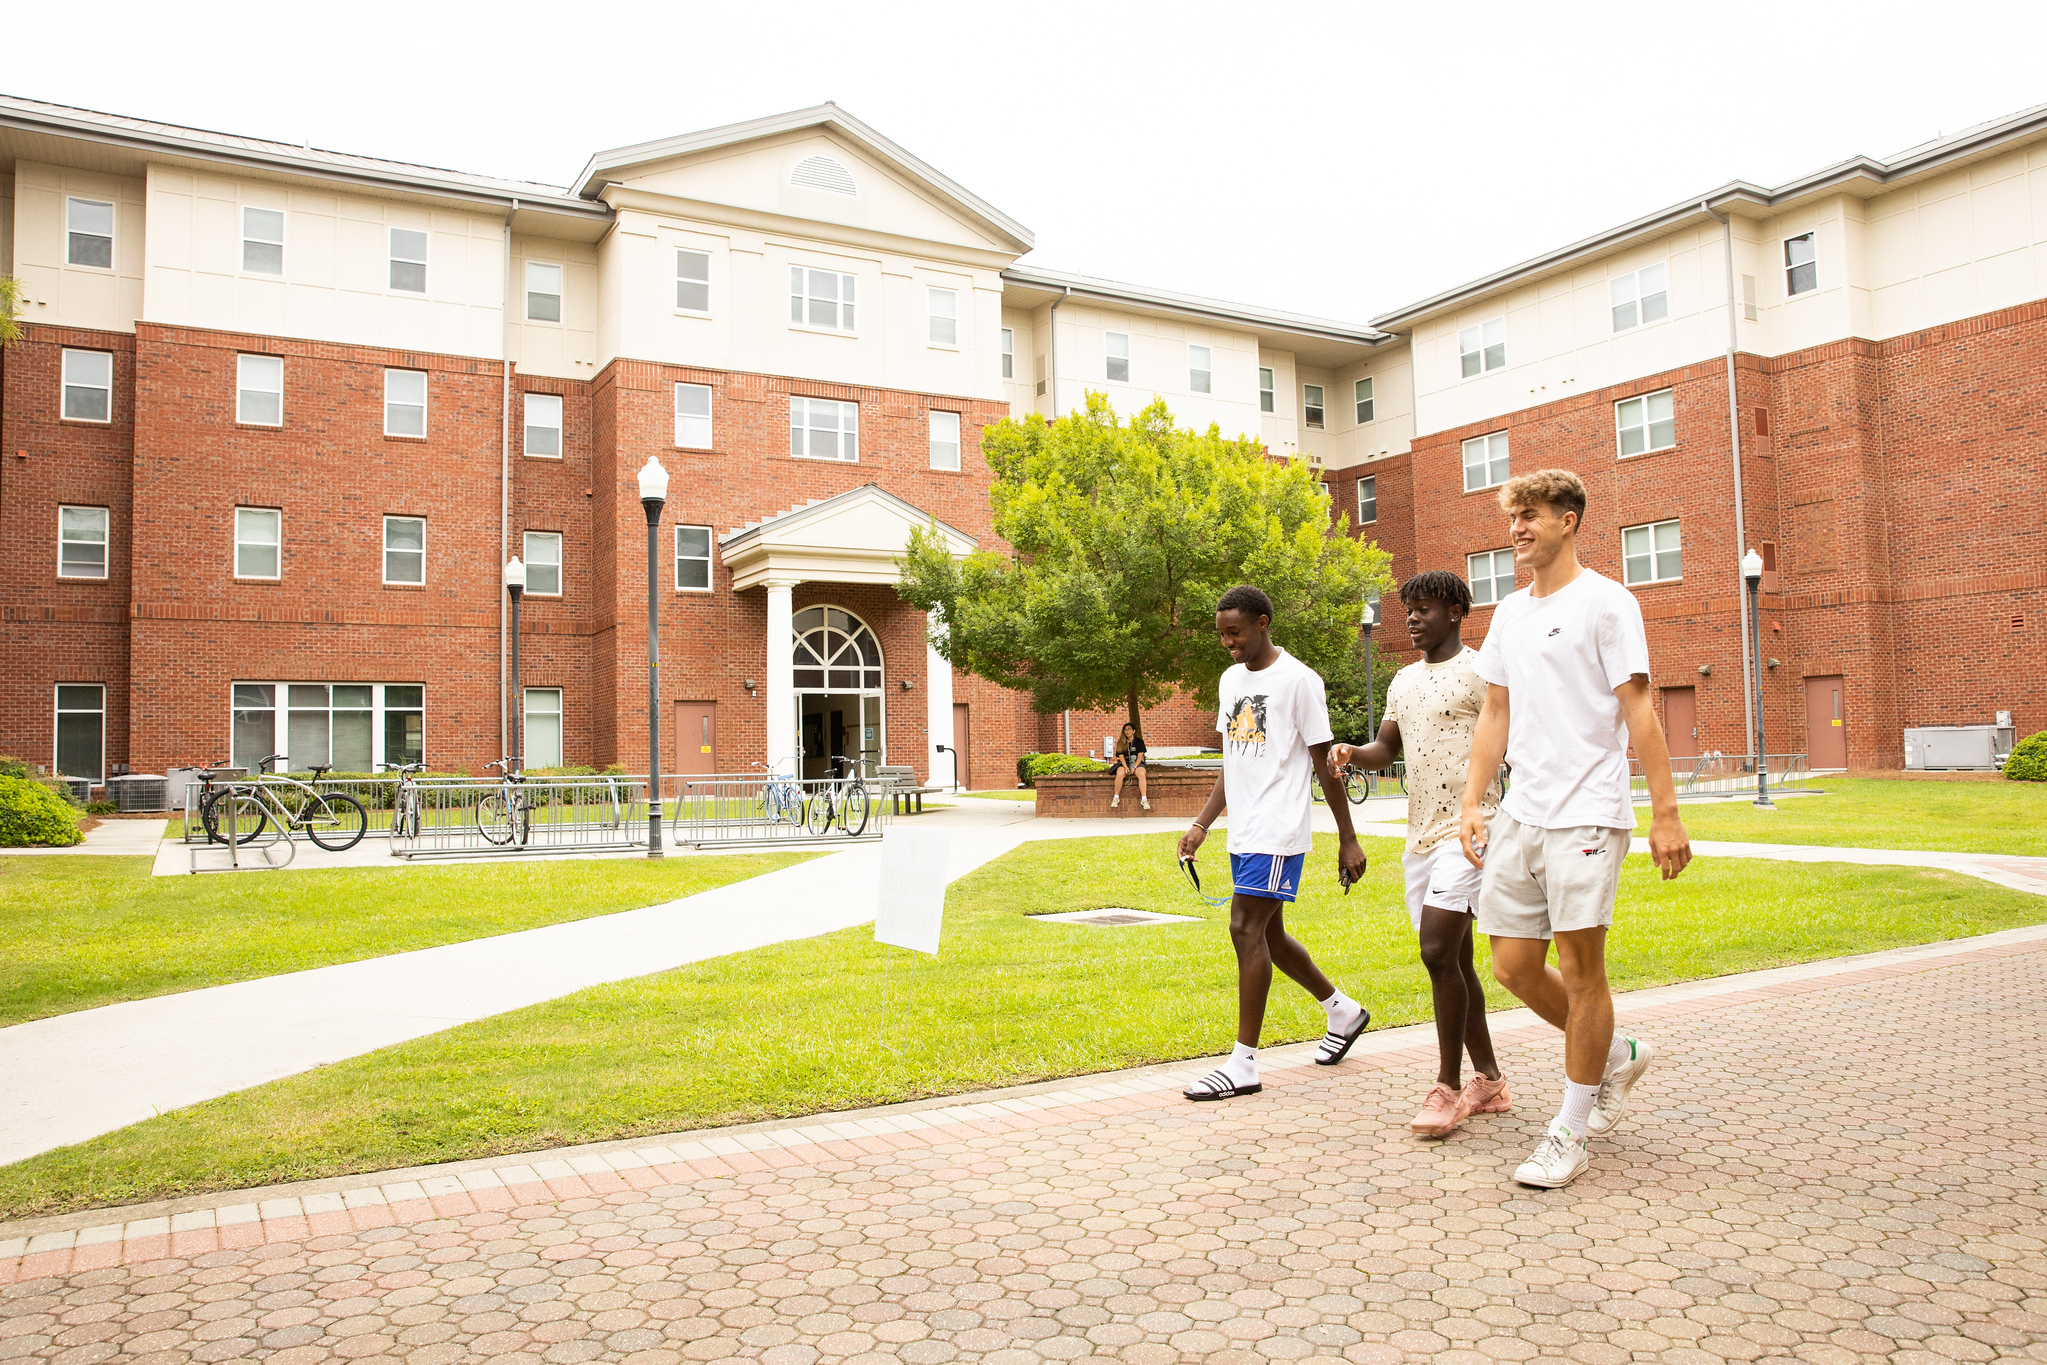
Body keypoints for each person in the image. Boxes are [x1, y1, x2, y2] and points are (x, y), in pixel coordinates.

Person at [1457, 469, 1692, 1189]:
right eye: (1512, 518)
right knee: (1511, 965)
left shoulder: (1607, 604)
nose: (1517, 528)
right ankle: (1616, 1055)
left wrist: (1665, 811)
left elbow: (1638, 709)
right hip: (1522, 811)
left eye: (1530, 515)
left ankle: (1569, 1127)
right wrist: (1473, 800)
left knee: (1584, 971)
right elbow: (1493, 712)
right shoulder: (1508, 615)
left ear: (1569, 520)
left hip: (1588, 809)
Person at [1330, 569, 1509, 1138]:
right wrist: (1353, 752)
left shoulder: (1482, 671)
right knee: (1455, 961)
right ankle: (1491, 1080)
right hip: (1421, 837)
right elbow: (1387, 749)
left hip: (1472, 830)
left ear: (1455, 611)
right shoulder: (1403, 680)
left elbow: (1512, 736)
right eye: (1408, 609)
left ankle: (1447, 1087)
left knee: (1435, 951)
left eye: (1424, 608)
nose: (1411, 618)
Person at [1177, 584, 1372, 1101]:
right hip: (1244, 829)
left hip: (1280, 828)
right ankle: (1343, 1011)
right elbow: (1232, 760)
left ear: (1263, 622)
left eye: (1235, 633)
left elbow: (1326, 766)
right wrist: (1203, 824)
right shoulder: (1229, 680)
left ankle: (1244, 1063)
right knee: (1272, 936)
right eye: (1222, 635)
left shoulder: (1299, 682)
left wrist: (1347, 839)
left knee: (1244, 927)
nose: (1228, 644)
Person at [1108, 722, 1150, 810]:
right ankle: (1116, 798)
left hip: (1137, 763)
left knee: (1141, 774)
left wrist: (1134, 767)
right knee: (1119, 773)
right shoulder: (1121, 742)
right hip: (1125, 763)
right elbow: (1121, 757)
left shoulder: (1139, 741)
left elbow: (1140, 756)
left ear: (1134, 731)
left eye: (1129, 729)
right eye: (1125, 729)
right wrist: (1126, 767)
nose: (1127, 731)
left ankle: (1144, 799)